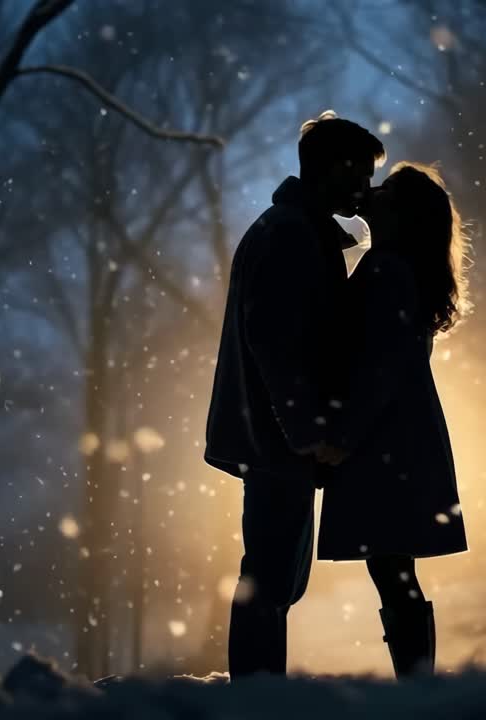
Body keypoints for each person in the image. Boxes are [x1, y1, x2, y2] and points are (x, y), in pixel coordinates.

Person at [203, 111, 384, 678]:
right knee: (271, 574)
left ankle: (260, 693)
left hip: (271, 432)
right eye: (359, 173)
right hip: (276, 437)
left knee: (274, 572)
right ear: (330, 169)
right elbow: (275, 345)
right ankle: (258, 698)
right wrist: (308, 432)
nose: (366, 187)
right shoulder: (290, 236)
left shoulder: (292, 230)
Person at [316, 162, 470, 677]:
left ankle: (416, 684)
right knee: (393, 565)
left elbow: (378, 367)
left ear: (401, 214)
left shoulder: (387, 270)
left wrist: (342, 436)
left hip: (385, 440)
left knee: (390, 564)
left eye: (386, 192)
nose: (372, 194)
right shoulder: (398, 267)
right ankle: (416, 681)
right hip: (400, 436)